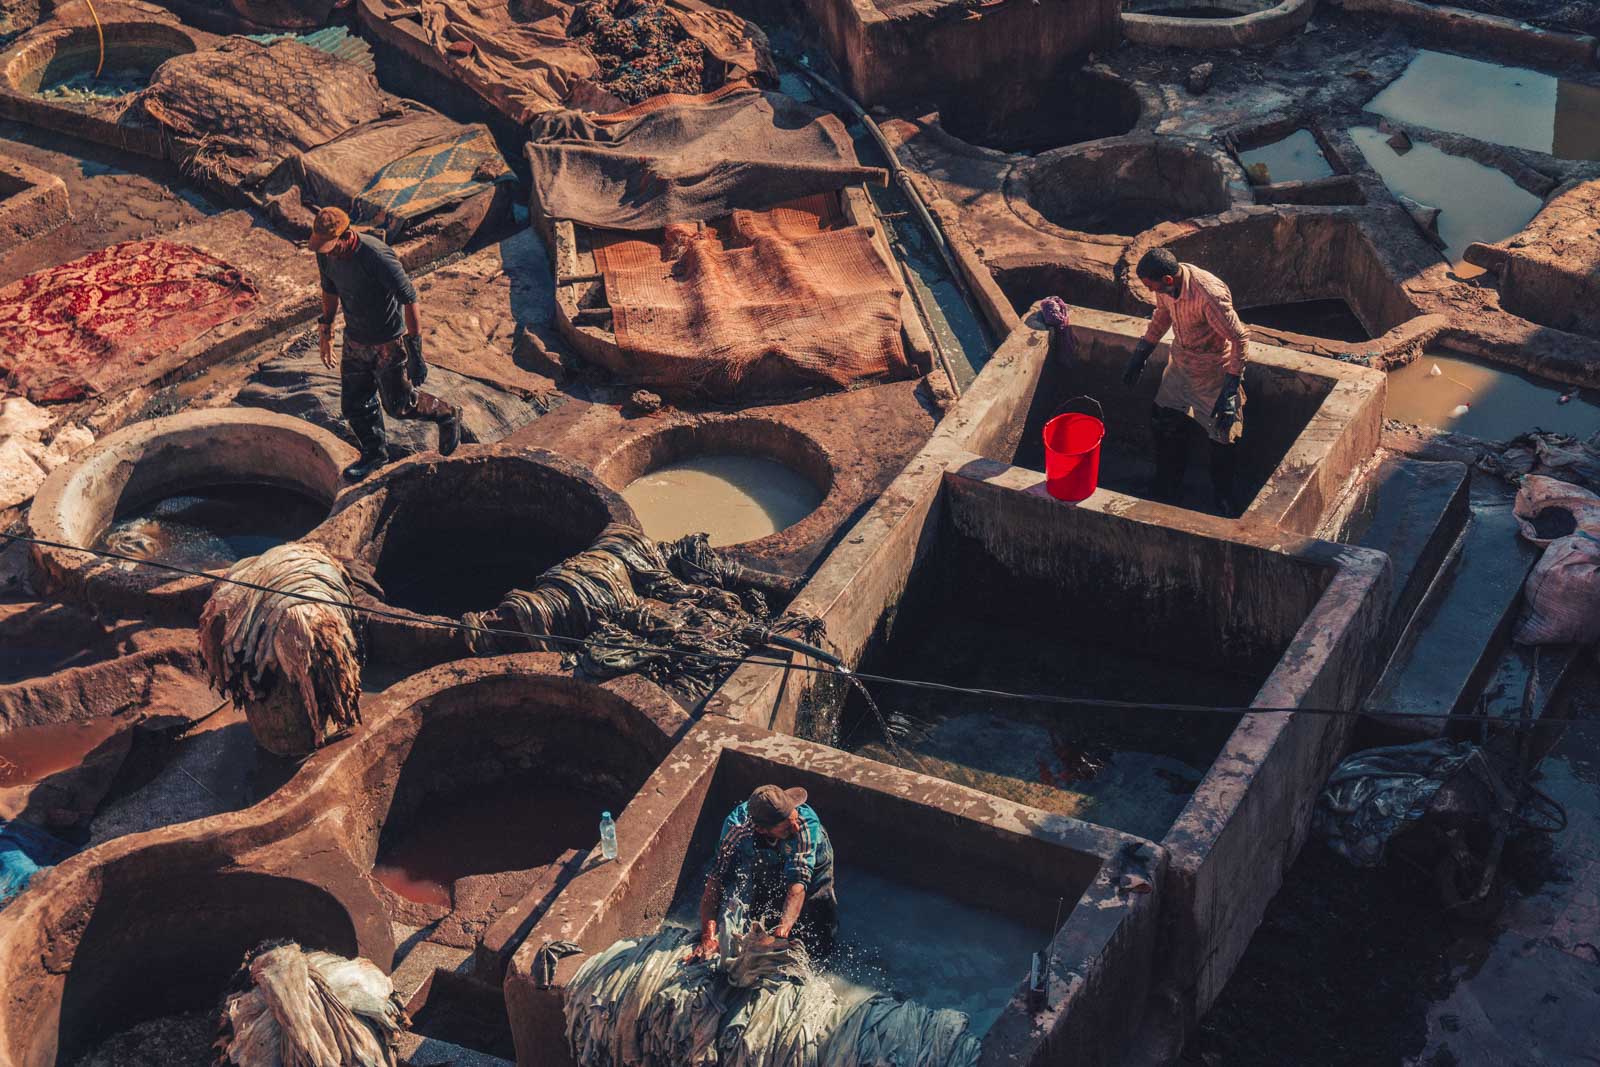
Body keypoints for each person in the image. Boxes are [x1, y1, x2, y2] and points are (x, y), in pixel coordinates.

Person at [309, 207, 462, 482]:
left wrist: (415, 351)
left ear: (346, 236)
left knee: (399, 405)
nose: (328, 252)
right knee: (354, 404)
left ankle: (447, 413)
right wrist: (326, 331)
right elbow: (329, 289)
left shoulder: (376, 256)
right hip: (355, 339)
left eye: (332, 246)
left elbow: (409, 298)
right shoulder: (326, 255)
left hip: (387, 342)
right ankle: (374, 455)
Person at [1120, 247, 1250, 516]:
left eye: (1153, 286)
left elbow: (1240, 338)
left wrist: (1229, 390)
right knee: (1163, 422)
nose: (1152, 292)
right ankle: (1168, 488)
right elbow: (1162, 316)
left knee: (1223, 437)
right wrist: (1141, 354)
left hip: (1213, 372)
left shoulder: (1208, 295)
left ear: (1168, 280)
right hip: (1180, 367)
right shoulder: (1167, 290)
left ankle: (1223, 499)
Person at [686, 784, 838, 962]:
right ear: (761, 830)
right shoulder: (737, 829)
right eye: (787, 828)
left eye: (794, 819)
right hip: (768, 862)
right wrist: (707, 937)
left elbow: (797, 884)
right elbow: (716, 881)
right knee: (763, 914)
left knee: (818, 909)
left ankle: (823, 954)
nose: (795, 828)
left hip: (814, 863)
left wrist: (781, 932)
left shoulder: (804, 825)